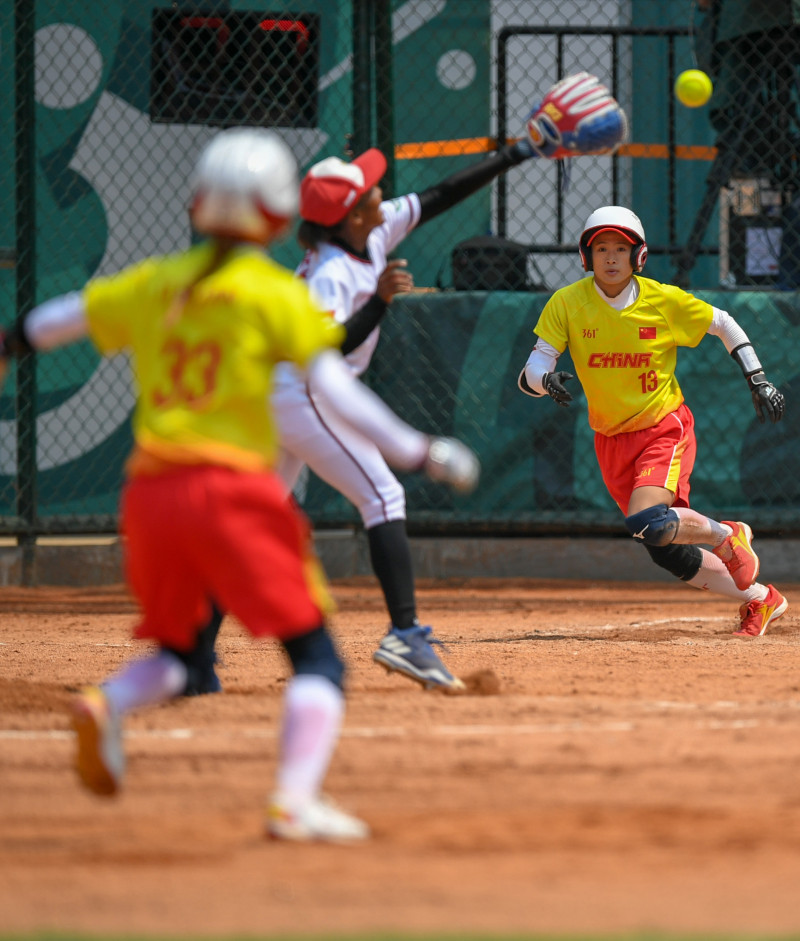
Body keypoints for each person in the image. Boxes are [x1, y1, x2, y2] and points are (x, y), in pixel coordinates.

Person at [0, 128, 479, 842]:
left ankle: (107, 705)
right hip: (231, 491)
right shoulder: (274, 293)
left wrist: (9, 346)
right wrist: (419, 449)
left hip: (153, 495)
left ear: (196, 206)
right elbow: (337, 393)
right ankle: (293, 800)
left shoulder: (156, 281)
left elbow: (53, 321)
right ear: (281, 219)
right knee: (316, 656)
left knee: (177, 654)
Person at [183, 72, 630, 695]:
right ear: (348, 214)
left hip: (302, 395)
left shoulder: (369, 230)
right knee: (384, 497)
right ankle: (405, 633)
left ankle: (193, 655)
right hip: (306, 394)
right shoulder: (332, 274)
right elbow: (323, 347)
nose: (381, 192)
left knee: (256, 521)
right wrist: (381, 304)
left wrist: (521, 149)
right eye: (368, 190)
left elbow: (442, 193)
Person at [518, 205, 788, 637]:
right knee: (661, 545)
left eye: (620, 249)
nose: (610, 258)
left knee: (648, 521)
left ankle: (727, 534)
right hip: (610, 438)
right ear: (586, 257)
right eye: (601, 248)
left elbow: (724, 323)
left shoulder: (661, 299)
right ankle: (761, 599)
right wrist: (545, 379)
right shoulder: (567, 303)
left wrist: (758, 379)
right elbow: (531, 370)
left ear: (637, 256)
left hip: (663, 427)